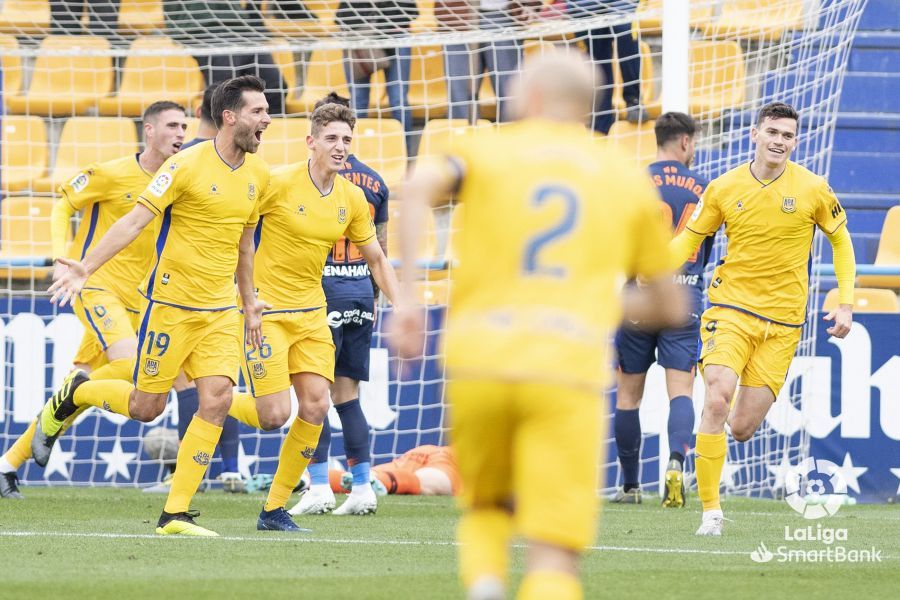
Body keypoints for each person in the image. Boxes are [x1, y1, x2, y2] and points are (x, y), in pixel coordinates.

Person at [390, 50, 685, 600]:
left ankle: (484, 585)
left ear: (532, 97)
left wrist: (408, 298)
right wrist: (589, 300)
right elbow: (668, 305)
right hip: (566, 368)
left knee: (486, 504)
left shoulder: (486, 149)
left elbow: (417, 186)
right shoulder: (621, 177)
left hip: (480, 357)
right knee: (554, 550)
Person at [39, 75, 272, 536]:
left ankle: (175, 513)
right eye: (258, 112)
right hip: (170, 305)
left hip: (221, 310)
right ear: (230, 117)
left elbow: (246, 248)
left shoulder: (258, 176)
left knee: (218, 399)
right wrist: (85, 267)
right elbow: (134, 220)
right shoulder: (185, 165)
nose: (267, 120)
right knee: (147, 407)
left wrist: (249, 304)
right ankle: (78, 392)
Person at [668, 101, 856, 536]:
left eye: (788, 135)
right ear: (755, 134)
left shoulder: (813, 189)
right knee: (717, 398)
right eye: (772, 132)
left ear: (795, 141)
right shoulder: (722, 188)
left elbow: (842, 243)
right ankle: (711, 513)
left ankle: (718, 465)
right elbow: (688, 242)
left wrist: (845, 301)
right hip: (729, 310)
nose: (779, 141)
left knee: (742, 427)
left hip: (783, 324)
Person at [222, 102, 403, 530]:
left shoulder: (353, 197)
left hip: (312, 316)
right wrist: (242, 295)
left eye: (346, 140)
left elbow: (376, 258)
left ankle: (274, 508)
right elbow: (237, 231)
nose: (340, 148)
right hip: (266, 313)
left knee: (318, 405)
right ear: (311, 142)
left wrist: (403, 306)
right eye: (331, 139)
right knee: (272, 416)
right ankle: (215, 398)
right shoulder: (277, 183)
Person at [0, 101, 187, 500]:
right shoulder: (113, 172)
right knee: (137, 369)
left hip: (141, 300)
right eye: (172, 125)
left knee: (78, 389)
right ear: (149, 130)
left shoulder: (177, 180)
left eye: (184, 125)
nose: (181, 133)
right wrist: (60, 257)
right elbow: (63, 204)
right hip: (96, 286)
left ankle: (6, 465)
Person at [292, 92, 390, 517]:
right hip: (361, 294)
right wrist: (379, 298)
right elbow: (379, 248)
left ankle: (317, 485)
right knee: (347, 397)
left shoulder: (314, 182)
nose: (339, 144)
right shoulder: (377, 183)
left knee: (312, 397)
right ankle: (364, 486)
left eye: (342, 137)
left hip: (320, 291)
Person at [611, 112, 711, 507]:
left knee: (627, 396)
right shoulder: (705, 188)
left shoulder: (633, 185)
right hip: (683, 299)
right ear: (686, 142)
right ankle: (675, 463)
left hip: (637, 296)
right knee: (681, 393)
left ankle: (630, 487)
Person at [165, 1, 286, 116]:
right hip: (199, 29)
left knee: (275, 87)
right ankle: (220, 134)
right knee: (224, 94)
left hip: (240, 29)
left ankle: (268, 133)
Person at [337, 1, 417, 133]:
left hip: (396, 29)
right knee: (358, 101)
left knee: (398, 101)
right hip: (358, 31)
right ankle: (354, 149)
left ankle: (406, 153)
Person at [569, 0, 646, 134]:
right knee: (596, 51)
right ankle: (602, 118)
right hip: (584, 4)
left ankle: (633, 99)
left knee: (623, 27)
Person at [330, 445, 460, 496]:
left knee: (367, 476)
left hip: (421, 452)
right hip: (455, 459)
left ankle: (310, 479)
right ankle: (376, 483)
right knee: (428, 483)